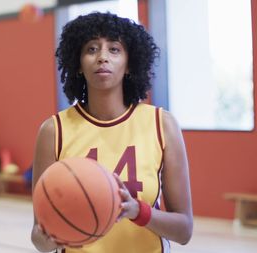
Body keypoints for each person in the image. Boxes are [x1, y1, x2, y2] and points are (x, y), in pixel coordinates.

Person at [31, 12, 193, 253]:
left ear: (129, 65)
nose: (102, 57)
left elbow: (184, 230)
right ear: (77, 64)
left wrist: (139, 211)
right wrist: (54, 235)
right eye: (92, 49)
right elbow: (38, 236)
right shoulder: (54, 130)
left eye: (114, 49)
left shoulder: (162, 124)